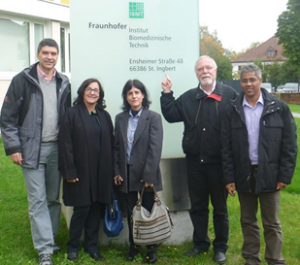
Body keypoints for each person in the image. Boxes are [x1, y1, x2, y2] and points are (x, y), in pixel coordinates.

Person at [160, 55, 237, 264]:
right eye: (200, 69)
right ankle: (201, 243)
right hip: (194, 163)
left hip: (219, 164)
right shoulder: (188, 97)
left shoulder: (230, 95)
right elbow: (170, 114)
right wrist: (167, 93)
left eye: (208, 68)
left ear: (215, 71)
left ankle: (220, 247)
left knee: (220, 208)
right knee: (198, 206)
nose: (205, 71)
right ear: (196, 73)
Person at [0, 38, 71, 265]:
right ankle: (44, 250)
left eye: (53, 53)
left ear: (57, 56)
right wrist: (13, 147)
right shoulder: (23, 80)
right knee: (37, 200)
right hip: (31, 149)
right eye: (45, 53)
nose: (50, 57)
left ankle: (48, 239)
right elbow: (7, 118)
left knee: (52, 198)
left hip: (56, 149)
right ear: (38, 54)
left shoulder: (64, 82)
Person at [221, 64, 297, 265]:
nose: (248, 84)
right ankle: (251, 259)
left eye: (252, 80)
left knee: (271, 222)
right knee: (248, 220)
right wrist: (229, 177)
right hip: (244, 173)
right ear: (240, 82)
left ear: (260, 81)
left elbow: (290, 145)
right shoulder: (233, 108)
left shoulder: (279, 108)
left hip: (270, 173)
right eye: (244, 80)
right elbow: (226, 147)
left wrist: (284, 176)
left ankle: (275, 259)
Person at [58, 78, 114, 262]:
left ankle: (92, 247)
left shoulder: (104, 116)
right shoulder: (72, 114)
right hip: (81, 172)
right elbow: (65, 145)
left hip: (101, 172)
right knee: (81, 209)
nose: (92, 93)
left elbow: (111, 144)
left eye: (96, 90)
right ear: (82, 92)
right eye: (89, 89)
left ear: (100, 94)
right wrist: (70, 171)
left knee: (96, 210)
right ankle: (73, 246)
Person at [114, 79, 163, 264]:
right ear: (126, 97)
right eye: (130, 93)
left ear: (143, 95)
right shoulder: (120, 118)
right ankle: (133, 246)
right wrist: (117, 171)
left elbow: (155, 149)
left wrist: (149, 176)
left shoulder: (153, 117)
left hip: (146, 176)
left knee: (148, 213)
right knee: (132, 213)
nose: (134, 96)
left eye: (137, 92)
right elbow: (116, 148)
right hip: (126, 175)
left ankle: (152, 249)